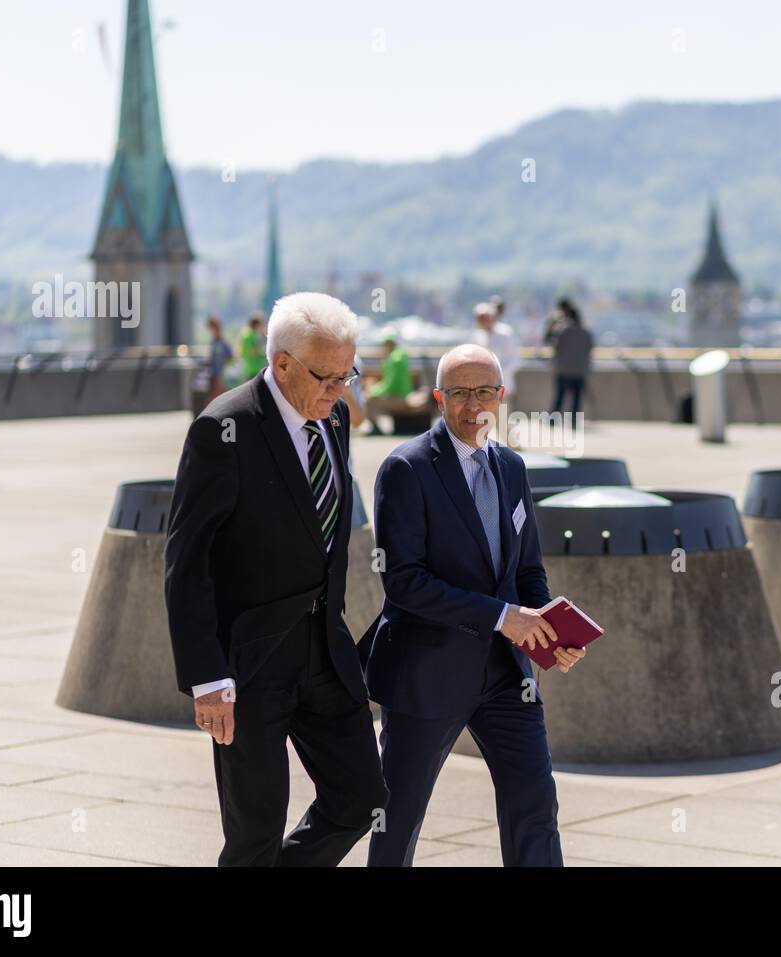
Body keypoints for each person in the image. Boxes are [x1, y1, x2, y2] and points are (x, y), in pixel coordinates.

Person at [165, 291, 387, 867]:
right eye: (327, 376)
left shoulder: (331, 416)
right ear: (282, 363)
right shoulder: (223, 428)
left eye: (349, 374)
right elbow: (186, 564)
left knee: (361, 798)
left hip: (326, 657)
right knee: (254, 834)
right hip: (251, 665)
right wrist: (207, 676)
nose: (341, 391)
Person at [358, 344, 586, 867]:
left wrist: (550, 628)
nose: (472, 404)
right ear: (438, 398)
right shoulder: (405, 469)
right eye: (459, 392)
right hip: (425, 672)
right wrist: (506, 617)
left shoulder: (511, 466)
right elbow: (404, 584)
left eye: (484, 391)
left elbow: (526, 570)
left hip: (506, 674)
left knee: (535, 804)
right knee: (399, 820)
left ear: (501, 397)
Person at [545, 298, 593, 421]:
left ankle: (553, 420)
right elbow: (589, 349)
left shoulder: (562, 330)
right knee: (576, 398)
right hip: (580, 369)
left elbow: (555, 346)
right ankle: (573, 421)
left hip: (564, 369)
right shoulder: (586, 332)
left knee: (560, 396)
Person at [362, 332, 415, 435]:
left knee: (366, 400)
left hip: (399, 397)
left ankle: (376, 429)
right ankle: (377, 428)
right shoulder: (398, 357)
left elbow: (390, 386)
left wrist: (372, 391)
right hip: (403, 394)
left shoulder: (394, 360)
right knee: (368, 398)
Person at [472, 301, 521, 405]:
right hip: (482, 389)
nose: (481, 322)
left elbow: (514, 360)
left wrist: (496, 374)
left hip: (503, 387)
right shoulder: (477, 336)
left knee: (502, 418)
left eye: (483, 318)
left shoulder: (505, 334)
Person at [205, 316, 234, 403]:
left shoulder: (222, 343)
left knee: (220, 394)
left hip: (221, 374)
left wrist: (223, 366)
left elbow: (230, 356)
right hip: (215, 373)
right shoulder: (214, 342)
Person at [238, 311, 267, 379]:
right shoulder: (250, 335)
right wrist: (262, 352)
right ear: (257, 324)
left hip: (249, 368)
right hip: (255, 369)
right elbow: (252, 352)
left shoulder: (246, 333)